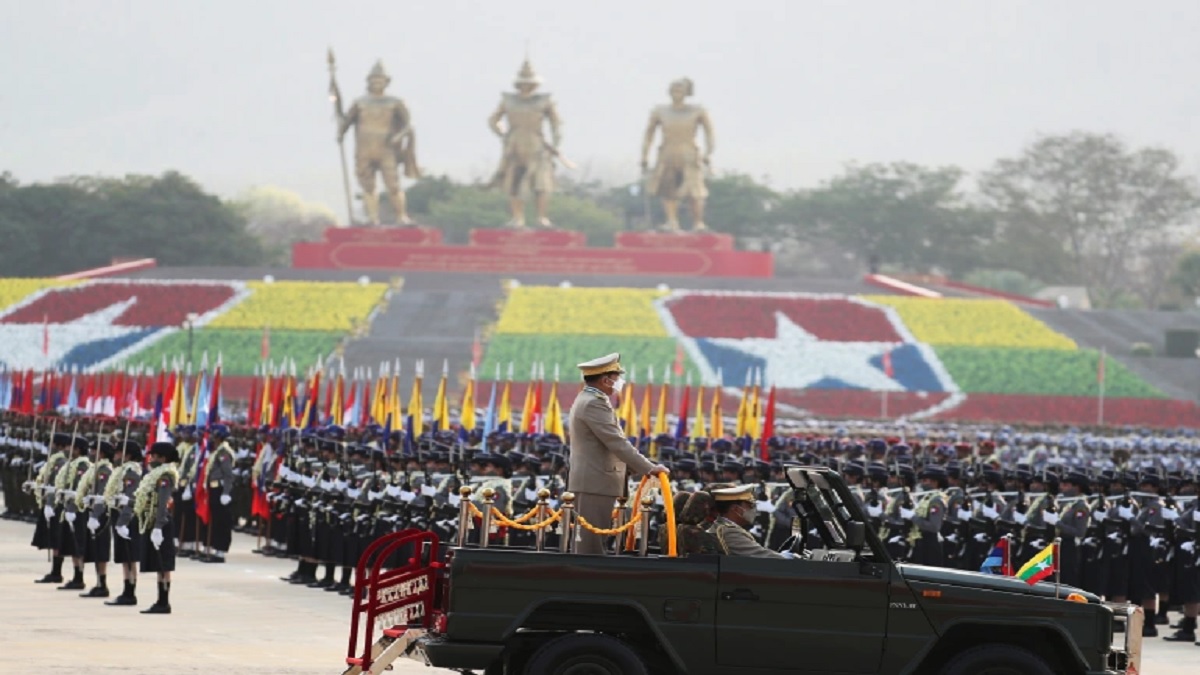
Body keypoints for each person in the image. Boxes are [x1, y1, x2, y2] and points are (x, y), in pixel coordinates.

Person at [567, 353, 668, 555]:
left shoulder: (588, 398)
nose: (618, 383)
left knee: (589, 542)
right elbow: (616, 442)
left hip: (593, 480)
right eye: (616, 378)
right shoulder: (594, 402)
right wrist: (649, 468)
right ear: (605, 380)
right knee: (591, 547)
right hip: (595, 481)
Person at [337, 60, 420, 225]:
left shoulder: (395, 102)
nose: (377, 83)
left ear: (387, 82)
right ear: (368, 81)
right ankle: (373, 218)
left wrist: (399, 136)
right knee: (368, 186)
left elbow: (409, 125)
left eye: (380, 80)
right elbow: (347, 121)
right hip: (364, 149)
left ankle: (401, 216)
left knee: (393, 185)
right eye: (374, 80)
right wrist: (341, 131)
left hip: (386, 149)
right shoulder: (360, 103)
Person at [487, 58, 563, 228]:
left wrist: (556, 143)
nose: (526, 87)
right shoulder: (508, 101)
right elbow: (493, 120)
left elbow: (556, 123)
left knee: (541, 183)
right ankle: (517, 218)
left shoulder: (544, 101)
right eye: (523, 84)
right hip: (514, 145)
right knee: (514, 181)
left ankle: (542, 218)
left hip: (537, 144)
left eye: (529, 84)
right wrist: (503, 134)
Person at [133, 442, 180, 614]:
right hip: (153, 522)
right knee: (159, 565)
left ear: (164, 458)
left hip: (162, 523)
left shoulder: (165, 476)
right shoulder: (155, 475)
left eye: (155, 456)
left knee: (164, 565)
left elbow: (163, 504)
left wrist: (158, 527)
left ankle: (164, 601)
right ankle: (160, 600)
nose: (151, 458)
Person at [105, 440, 143, 607]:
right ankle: (126, 589)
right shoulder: (121, 470)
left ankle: (130, 592)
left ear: (127, 455)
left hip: (126, 518)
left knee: (129, 557)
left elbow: (130, 498)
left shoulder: (131, 472)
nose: (115, 456)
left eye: (119, 452)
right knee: (123, 556)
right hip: (118, 515)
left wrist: (123, 522)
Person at [709, 485, 788, 558]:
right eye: (751, 505)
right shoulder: (728, 531)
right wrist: (789, 558)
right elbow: (761, 555)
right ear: (736, 509)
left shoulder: (724, 526)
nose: (754, 510)